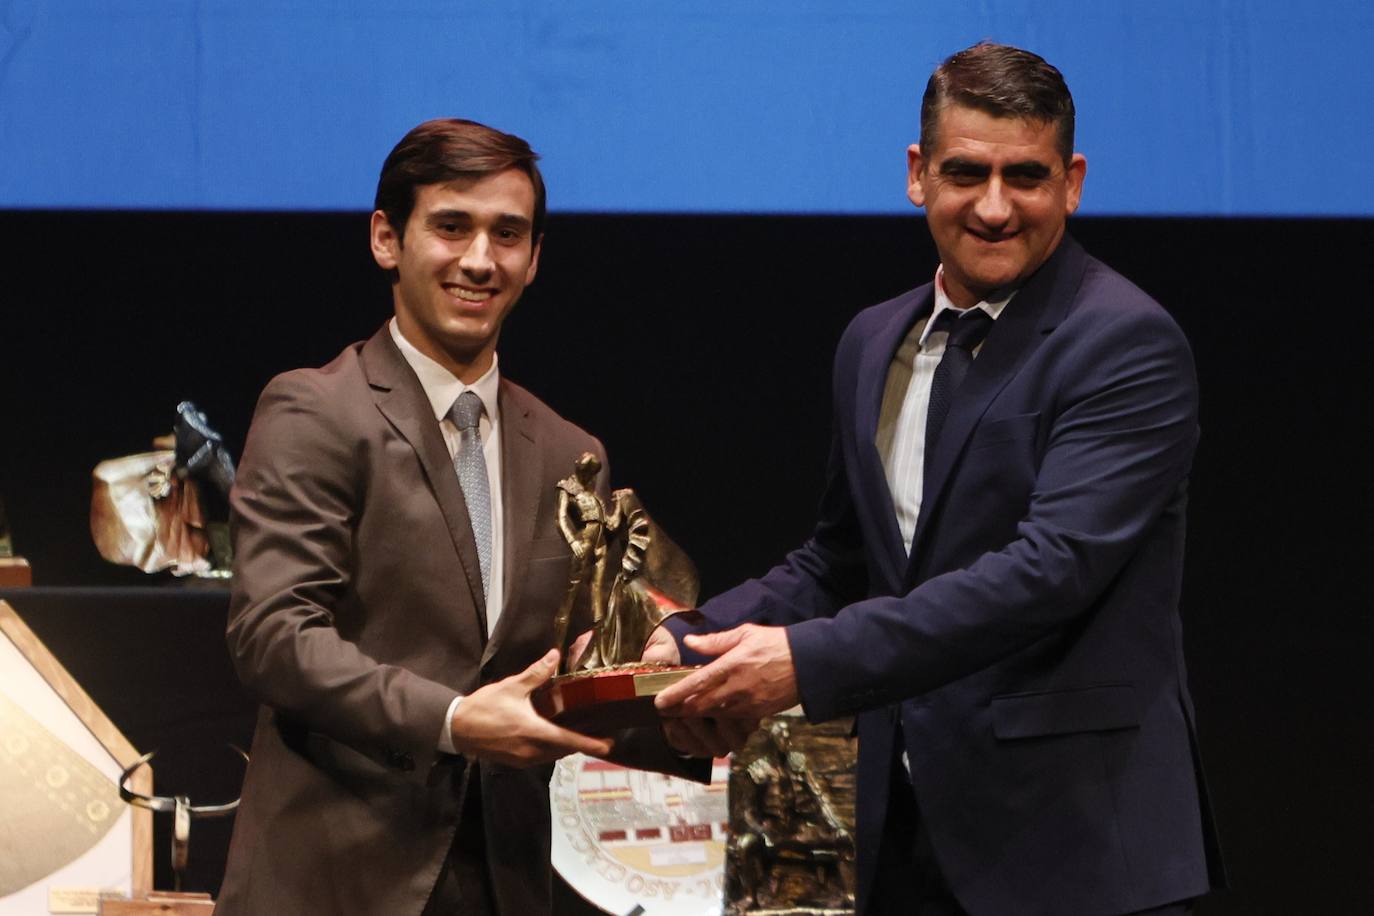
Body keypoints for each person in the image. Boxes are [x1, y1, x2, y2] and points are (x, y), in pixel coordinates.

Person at [650, 44, 1224, 915]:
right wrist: (692, 637)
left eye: (1025, 176)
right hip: (906, 841)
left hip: (1080, 854)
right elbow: (841, 559)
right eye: (966, 173)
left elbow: (1050, 571)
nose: (995, 207)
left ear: (1071, 182)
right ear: (919, 175)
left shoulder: (1125, 342)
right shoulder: (873, 341)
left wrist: (806, 662)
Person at [217, 118, 702, 916]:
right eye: (452, 226)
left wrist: (663, 676)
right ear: (386, 239)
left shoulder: (569, 453)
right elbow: (272, 636)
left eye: (507, 234)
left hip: (505, 885)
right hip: (336, 883)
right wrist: (453, 721)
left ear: (535, 258)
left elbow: (577, 658)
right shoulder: (315, 410)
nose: (480, 259)